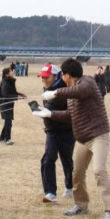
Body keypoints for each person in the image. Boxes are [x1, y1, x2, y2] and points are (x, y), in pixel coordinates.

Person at [33, 58, 110, 219]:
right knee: (77, 173)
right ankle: (81, 205)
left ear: (67, 75)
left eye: (63, 75)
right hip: (82, 139)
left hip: (98, 136)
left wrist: (55, 93)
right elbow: (70, 115)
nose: (62, 78)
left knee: (99, 171)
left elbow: (80, 90)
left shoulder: (87, 83)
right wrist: (49, 114)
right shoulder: (71, 91)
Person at [37, 64, 75, 203]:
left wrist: (48, 114)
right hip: (51, 131)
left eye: (47, 77)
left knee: (67, 161)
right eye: (42, 77)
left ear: (56, 76)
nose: (44, 80)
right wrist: (46, 121)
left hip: (67, 131)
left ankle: (70, 186)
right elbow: (48, 110)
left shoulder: (65, 90)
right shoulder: (47, 89)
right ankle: (50, 193)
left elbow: (69, 113)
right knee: (48, 158)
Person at [0, 68, 26, 145]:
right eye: (10, 71)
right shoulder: (5, 82)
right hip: (4, 104)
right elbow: (5, 95)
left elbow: (13, 92)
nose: (12, 72)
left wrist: (20, 94)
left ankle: (2, 138)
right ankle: (7, 139)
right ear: (6, 74)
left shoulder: (10, 81)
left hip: (9, 104)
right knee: (8, 122)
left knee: (7, 122)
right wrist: (17, 97)